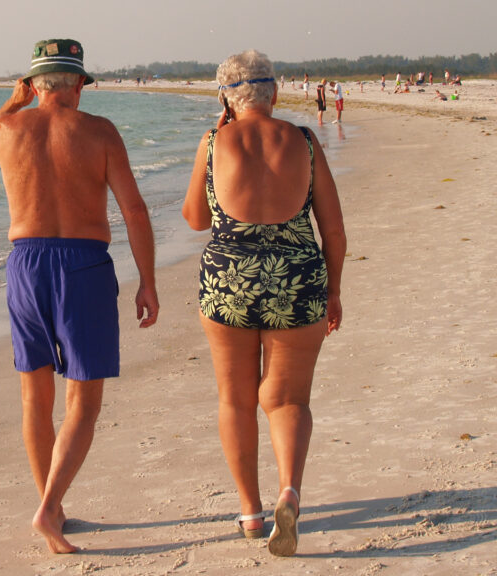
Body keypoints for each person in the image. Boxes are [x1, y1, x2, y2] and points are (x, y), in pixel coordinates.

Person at [0, 38, 159, 554]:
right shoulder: (99, 132)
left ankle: (53, 505)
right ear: (78, 84)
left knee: (35, 397)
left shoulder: (6, 129)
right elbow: (134, 211)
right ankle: (49, 509)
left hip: (26, 264)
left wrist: (9, 104)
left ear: (34, 84)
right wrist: (147, 280)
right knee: (83, 401)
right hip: (84, 265)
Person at [181, 49, 346, 558]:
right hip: (296, 280)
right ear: (273, 93)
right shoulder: (304, 140)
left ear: (227, 99)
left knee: (235, 399)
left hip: (229, 281)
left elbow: (195, 219)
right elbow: (333, 230)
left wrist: (219, 136)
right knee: (287, 400)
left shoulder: (213, 142)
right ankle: (289, 493)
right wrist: (333, 290)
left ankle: (251, 512)